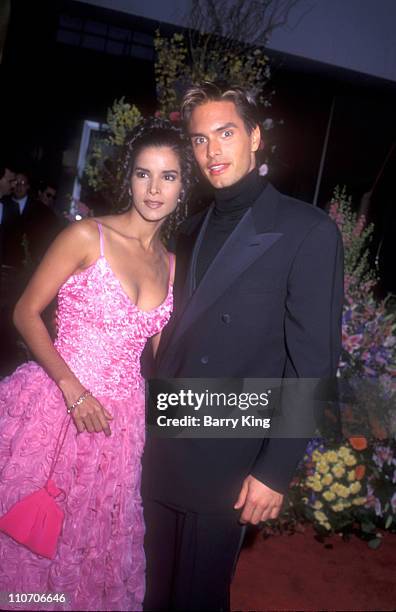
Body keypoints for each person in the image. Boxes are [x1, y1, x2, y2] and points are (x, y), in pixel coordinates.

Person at [142, 82, 344, 611]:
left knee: (198, 598)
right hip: (167, 441)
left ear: (254, 137)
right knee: (150, 591)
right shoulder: (187, 231)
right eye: (201, 139)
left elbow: (312, 363)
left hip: (231, 453)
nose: (213, 151)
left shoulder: (308, 230)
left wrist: (275, 470)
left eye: (226, 133)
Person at [0, 118, 193, 611]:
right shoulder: (89, 236)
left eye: (168, 177)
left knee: (87, 553)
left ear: (183, 187)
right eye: (144, 174)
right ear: (128, 178)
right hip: (57, 408)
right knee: (29, 543)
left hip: (119, 429)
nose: (154, 189)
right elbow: (25, 311)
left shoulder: (170, 265)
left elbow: (159, 355)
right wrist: (73, 389)